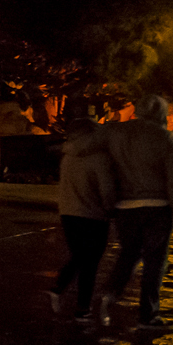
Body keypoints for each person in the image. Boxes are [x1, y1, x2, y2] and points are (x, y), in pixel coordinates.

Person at [97, 94, 173, 330]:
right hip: (157, 208)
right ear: (161, 113)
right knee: (154, 261)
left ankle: (109, 294)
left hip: (125, 208)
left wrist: (108, 202)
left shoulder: (115, 134)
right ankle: (148, 315)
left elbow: (104, 167)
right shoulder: (165, 137)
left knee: (128, 254)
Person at [48, 117, 115, 320]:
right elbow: (107, 189)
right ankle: (82, 307)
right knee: (90, 261)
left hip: (68, 212)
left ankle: (60, 288)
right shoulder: (100, 157)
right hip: (93, 214)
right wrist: (110, 208)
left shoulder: (67, 156)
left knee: (80, 256)